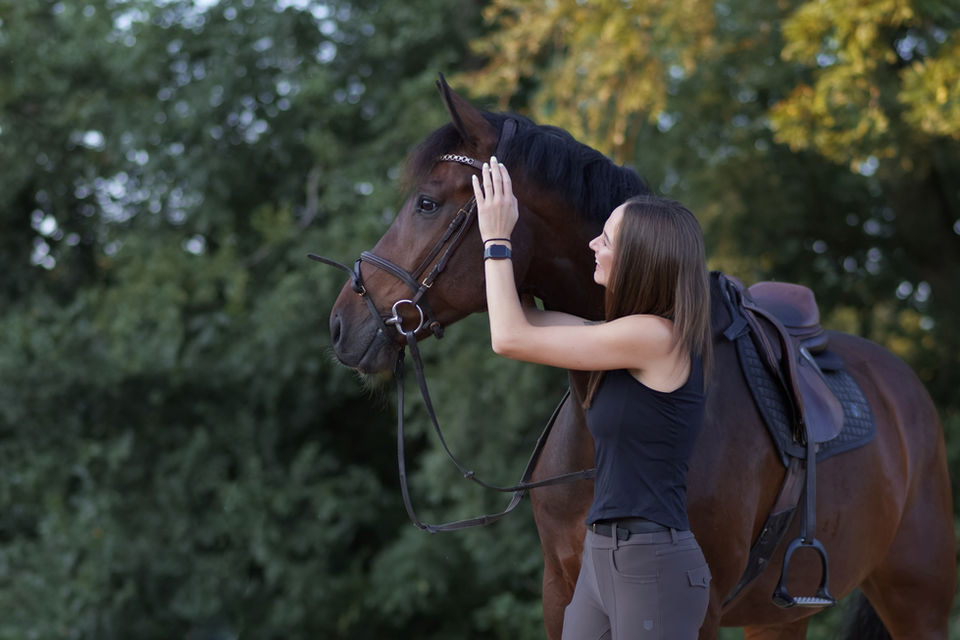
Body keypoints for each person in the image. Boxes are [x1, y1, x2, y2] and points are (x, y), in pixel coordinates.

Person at [472, 156, 713, 640]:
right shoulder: (620, 337)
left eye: (606, 239)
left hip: (651, 563)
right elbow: (522, 318)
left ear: (640, 259)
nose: (592, 245)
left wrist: (496, 239)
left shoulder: (657, 338)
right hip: (604, 555)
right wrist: (517, 238)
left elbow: (509, 338)